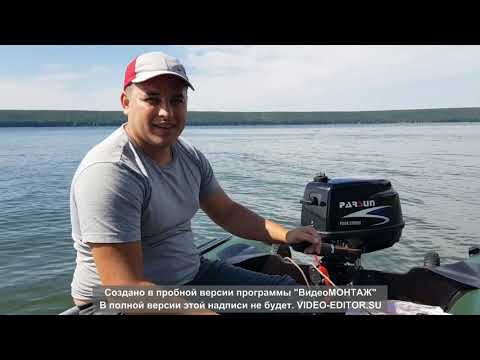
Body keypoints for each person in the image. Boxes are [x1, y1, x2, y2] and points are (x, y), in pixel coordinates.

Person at [69, 51, 321, 314]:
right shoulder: (111, 172)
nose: (166, 112)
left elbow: (228, 212)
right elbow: (124, 289)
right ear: (126, 102)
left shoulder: (188, 155)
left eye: (176, 100)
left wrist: (287, 235)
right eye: (152, 99)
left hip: (190, 275)